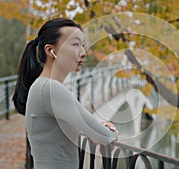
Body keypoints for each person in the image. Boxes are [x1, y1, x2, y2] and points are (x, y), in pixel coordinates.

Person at [12, 18, 118, 169]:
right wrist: (110, 129)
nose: (83, 53)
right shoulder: (51, 89)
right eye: (75, 44)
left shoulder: (41, 86)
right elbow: (106, 137)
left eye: (82, 45)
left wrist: (95, 129)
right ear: (50, 50)